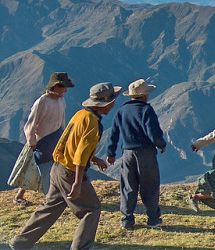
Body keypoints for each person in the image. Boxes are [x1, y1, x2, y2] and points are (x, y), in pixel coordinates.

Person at [10, 82, 122, 250]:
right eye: (113, 100)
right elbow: (80, 154)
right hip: (71, 172)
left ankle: (21, 242)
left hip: (58, 168)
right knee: (91, 210)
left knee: (51, 206)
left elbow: (68, 141)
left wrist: (94, 158)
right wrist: (77, 183)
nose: (114, 103)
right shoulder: (93, 123)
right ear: (106, 103)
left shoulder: (81, 115)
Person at [106, 79, 167, 230]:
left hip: (127, 153)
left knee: (128, 186)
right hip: (145, 152)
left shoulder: (122, 110)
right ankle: (153, 219)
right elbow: (153, 132)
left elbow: (114, 133)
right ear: (145, 95)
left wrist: (110, 152)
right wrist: (161, 144)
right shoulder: (146, 110)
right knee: (150, 186)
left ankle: (127, 219)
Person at [12, 72, 75, 205]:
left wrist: (63, 136)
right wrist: (32, 141)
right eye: (63, 87)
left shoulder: (61, 100)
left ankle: (52, 194)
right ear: (55, 86)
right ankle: (21, 196)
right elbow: (31, 123)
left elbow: (61, 119)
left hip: (56, 137)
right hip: (41, 140)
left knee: (49, 167)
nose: (65, 90)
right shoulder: (42, 101)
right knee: (34, 167)